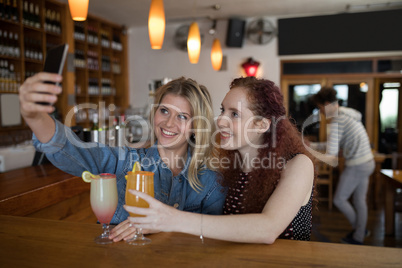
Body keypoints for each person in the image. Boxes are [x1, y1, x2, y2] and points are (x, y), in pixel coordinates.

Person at [19, 73, 226, 232]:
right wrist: (34, 115)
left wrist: (164, 227)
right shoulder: (125, 161)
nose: (169, 123)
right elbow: (70, 148)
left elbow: (213, 236)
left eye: (182, 116)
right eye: (164, 111)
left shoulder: (210, 179)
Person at [122, 76, 316, 244]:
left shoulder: (297, 165)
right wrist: (157, 224)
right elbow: (221, 227)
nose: (220, 120)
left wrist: (171, 219)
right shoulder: (230, 167)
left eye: (234, 114)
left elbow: (268, 229)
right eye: (222, 110)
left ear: (261, 125)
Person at [311, 87, 374, 245]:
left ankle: (358, 232)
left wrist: (312, 157)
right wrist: (313, 145)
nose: (321, 112)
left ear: (326, 104)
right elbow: (334, 146)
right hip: (368, 161)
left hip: (357, 164)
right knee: (359, 200)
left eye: (320, 108)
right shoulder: (347, 114)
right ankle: (360, 233)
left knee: (339, 199)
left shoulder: (338, 121)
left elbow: (332, 154)